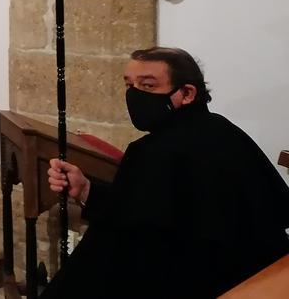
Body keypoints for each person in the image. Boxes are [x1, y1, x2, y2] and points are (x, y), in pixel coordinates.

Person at [44, 47, 289, 298]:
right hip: (259, 275)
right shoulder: (225, 129)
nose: (135, 95)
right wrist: (86, 189)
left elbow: (122, 235)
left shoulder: (151, 151)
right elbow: (145, 212)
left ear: (187, 93)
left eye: (148, 86)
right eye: (130, 85)